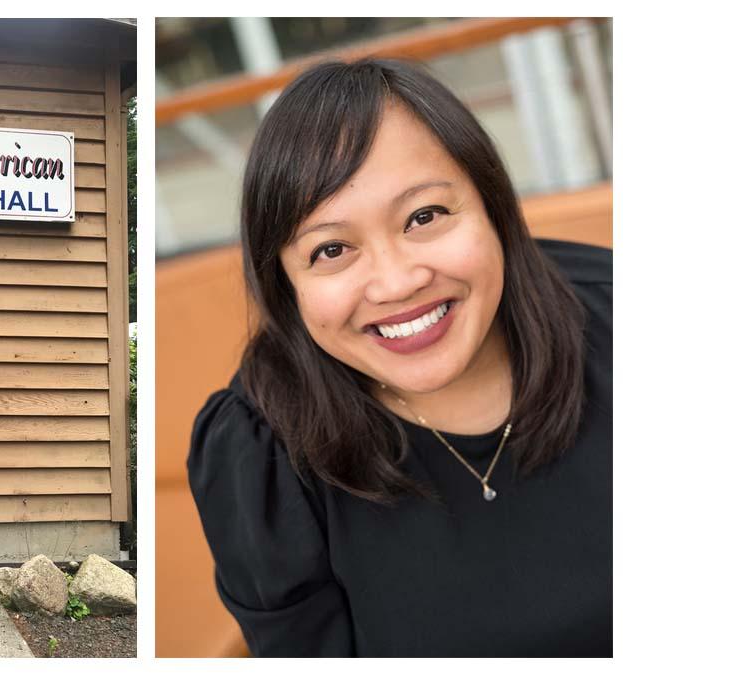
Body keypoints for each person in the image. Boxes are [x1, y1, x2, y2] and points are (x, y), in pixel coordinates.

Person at [188, 59, 612, 657]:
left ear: (493, 205)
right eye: (331, 249)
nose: (395, 282)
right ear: (286, 284)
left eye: (424, 216)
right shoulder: (262, 454)